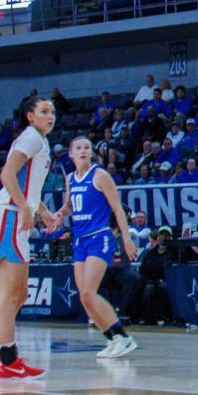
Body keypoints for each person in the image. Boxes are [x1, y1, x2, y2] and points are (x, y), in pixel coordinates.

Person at [0, 96, 60, 378]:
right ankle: (8, 360)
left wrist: (42, 210)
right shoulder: (32, 137)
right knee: (10, 294)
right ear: (30, 116)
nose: (51, 116)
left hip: (15, 215)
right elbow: (7, 175)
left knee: (19, 294)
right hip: (10, 215)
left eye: (53, 112)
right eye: (44, 111)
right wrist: (25, 208)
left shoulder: (39, 141)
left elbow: (29, 185)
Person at [55, 136, 139, 359]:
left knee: (90, 292)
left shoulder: (100, 176)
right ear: (71, 154)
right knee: (84, 297)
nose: (83, 151)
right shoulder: (71, 178)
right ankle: (111, 338)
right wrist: (58, 215)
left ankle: (123, 337)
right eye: (78, 148)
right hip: (80, 239)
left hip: (99, 237)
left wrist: (127, 239)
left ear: (91, 153)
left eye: (86, 148)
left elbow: (117, 209)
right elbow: (69, 207)